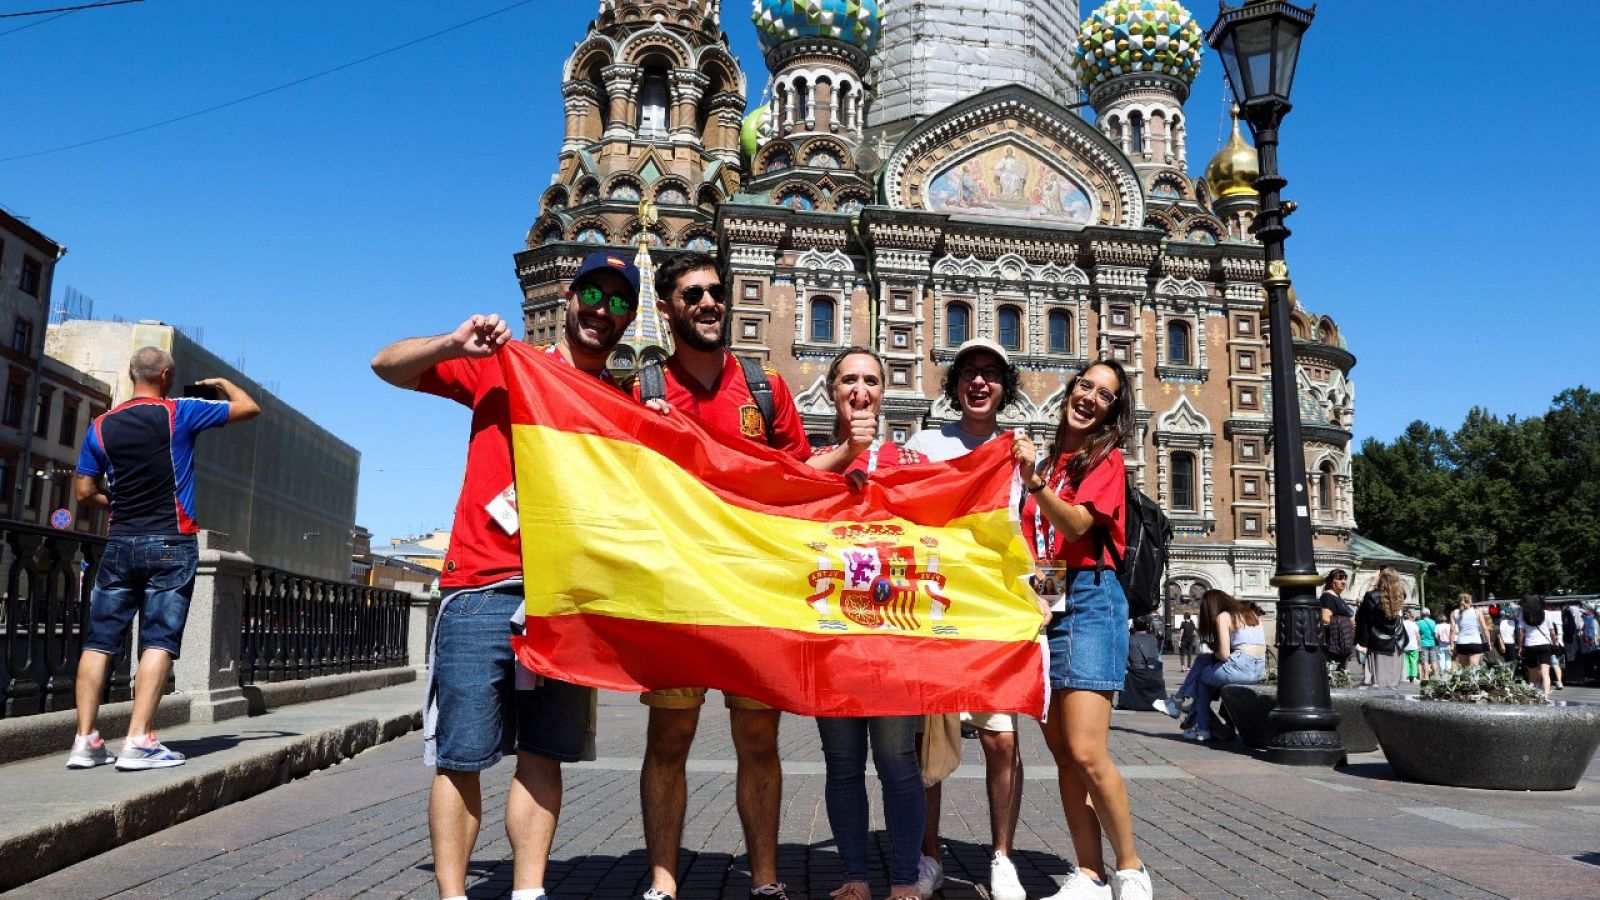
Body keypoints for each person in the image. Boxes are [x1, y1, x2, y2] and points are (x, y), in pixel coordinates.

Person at [371, 249, 640, 900]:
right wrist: (453, 340)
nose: (602, 312)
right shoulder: (507, 364)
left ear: (629, 317)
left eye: (618, 302)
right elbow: (386, 365)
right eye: (593, 296)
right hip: (481, 586)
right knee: (460, 755)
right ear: (569, 300)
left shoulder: (623, 405)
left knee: (543, 753)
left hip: (565, 601)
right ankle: (453, 894)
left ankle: (528, 891)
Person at [634, 251, 812, 900]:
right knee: (671, 735)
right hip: (677, 590)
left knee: (759, 737)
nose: (709, 303)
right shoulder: (647, 391)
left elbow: (801, 482)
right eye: (692, 295)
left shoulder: (764, 389)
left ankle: (764, 879)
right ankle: (662, 880)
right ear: (667, 309)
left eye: (716, 292)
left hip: (750, 590)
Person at [68, 347, 260, 771]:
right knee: (158, 640)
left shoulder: (100, 426)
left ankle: (85, 742)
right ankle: (138, 740)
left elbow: (83, 492)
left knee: (99, 641)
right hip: (171, 542)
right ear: (167, 375)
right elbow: (249, 408)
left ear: (130, 374)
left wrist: (117, 503)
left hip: (119, 542)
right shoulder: (180, 412)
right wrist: (221, 386)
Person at [1013, 359, 1152, 900]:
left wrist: (1035, 485)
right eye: (1085, 385)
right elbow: (1046, 547)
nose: (1090, 396)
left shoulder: (1106, 460)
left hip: (1095, 602)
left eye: (1104, 394)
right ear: (1071, 390)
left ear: (1113, 411)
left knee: (1088, 750)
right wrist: (1041, 605)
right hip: (1054, 602)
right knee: (1063, 754)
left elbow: (1074, 523)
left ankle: (1132, 867)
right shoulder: (1050, 460)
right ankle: (1090, 874)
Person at [901, 337, 1026, 900]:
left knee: (1001, 740)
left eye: (991, 374)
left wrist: (1040, 595)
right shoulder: (927, 443)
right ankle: (928, 856)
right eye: (970, 373)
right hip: (935, 611)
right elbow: (894, 505)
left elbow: (1029, 532)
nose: (980, 382)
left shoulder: (1018, 451)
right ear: (955, 385)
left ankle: (1001, 855)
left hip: (995, 611)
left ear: (1005, 387)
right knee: (932, 744)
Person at [809, 347, 927, 900]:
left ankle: (904, 876)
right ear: (832, 390)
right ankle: (854, 874)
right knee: (842, 763)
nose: (861, 390)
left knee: (897, 761)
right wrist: (848, 454)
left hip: (894, 636)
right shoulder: (818, 460)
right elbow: (785, 495)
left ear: (885, 392)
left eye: (872, 381)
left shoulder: (906, 460)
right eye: (849, 380)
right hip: (832, 633)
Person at [1156, 590, 1267, 740]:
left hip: (1239, 668)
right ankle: (1181, 704)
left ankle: (1200, 725)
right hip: (1259, 670)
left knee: (1202, 677)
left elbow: (1224, 654)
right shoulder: (1251, 613)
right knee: (1203, 660)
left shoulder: (1224, 616)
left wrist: (1215, 654)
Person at [1355, 568, 1408, 688]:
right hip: (1397, 642)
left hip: (1378, 642)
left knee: (1379, 682)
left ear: (1381, 579)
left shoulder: (1372, 596)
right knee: (1393, 683)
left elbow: (1362, 618)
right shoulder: (1400, 595)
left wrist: (1372, 584)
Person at [1518, 594, 1562, 700]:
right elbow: (1552, 632)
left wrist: (1520, 647)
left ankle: (1531, 696)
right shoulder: (1546, 613)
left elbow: (1521, 633)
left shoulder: (1523, 615)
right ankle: (1546, 696)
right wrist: (1555, 642)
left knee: (1532, 676)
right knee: (1545, 673)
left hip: (1530, 645)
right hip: (1544, 645)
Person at [1118, 616, 1166, 713]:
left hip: (1136, 674)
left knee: (1124, 669)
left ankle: (1125, 701)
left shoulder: (1129, 640)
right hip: (1153, 674)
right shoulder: (1153, 639)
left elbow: (1124, 660)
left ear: (1133, 627)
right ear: (1147, 626)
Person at [1319, 569, 1355, 671]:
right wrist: (1347, 622)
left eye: (1344, 579)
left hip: (1341, 643)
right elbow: (1325, 620)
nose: (1343, 582)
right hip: (1332, 645)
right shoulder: (1327, 596)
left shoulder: (1338, 597)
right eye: (1339, 579)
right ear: (1331, 581)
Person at [1451, 592, 1492, 669]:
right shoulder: (1477, 611)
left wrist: (1452, 645)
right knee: (1474, 670)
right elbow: (1485, 628)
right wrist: (1488, 643)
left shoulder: (1454, 613)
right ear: (1470, 601)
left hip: (1461, 643)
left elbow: (1452, 630)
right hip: (1475, 642)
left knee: (1464, 670)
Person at [1417, 607, 1437, 681]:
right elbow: (1435, 633)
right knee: (1433, 660)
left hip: (1423, 643)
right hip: (1432, 643)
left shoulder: (1419, 622)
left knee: (1425, 661)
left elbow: (1417, 634)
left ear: (1422, 614)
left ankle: (1426, 677)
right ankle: (1436, 676)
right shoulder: (1433, 622)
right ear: (1429, 614)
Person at [1401, 610, 1422, 683]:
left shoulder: (1401, 624)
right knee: (1413, 661)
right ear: (1410, 616)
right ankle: (1414, 677)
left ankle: (1406, 677)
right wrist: (1419, 645)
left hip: (1404, 646)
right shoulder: (1414, 624)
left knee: (1406, 661)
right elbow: (1418, 636)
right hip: (1413, 645)